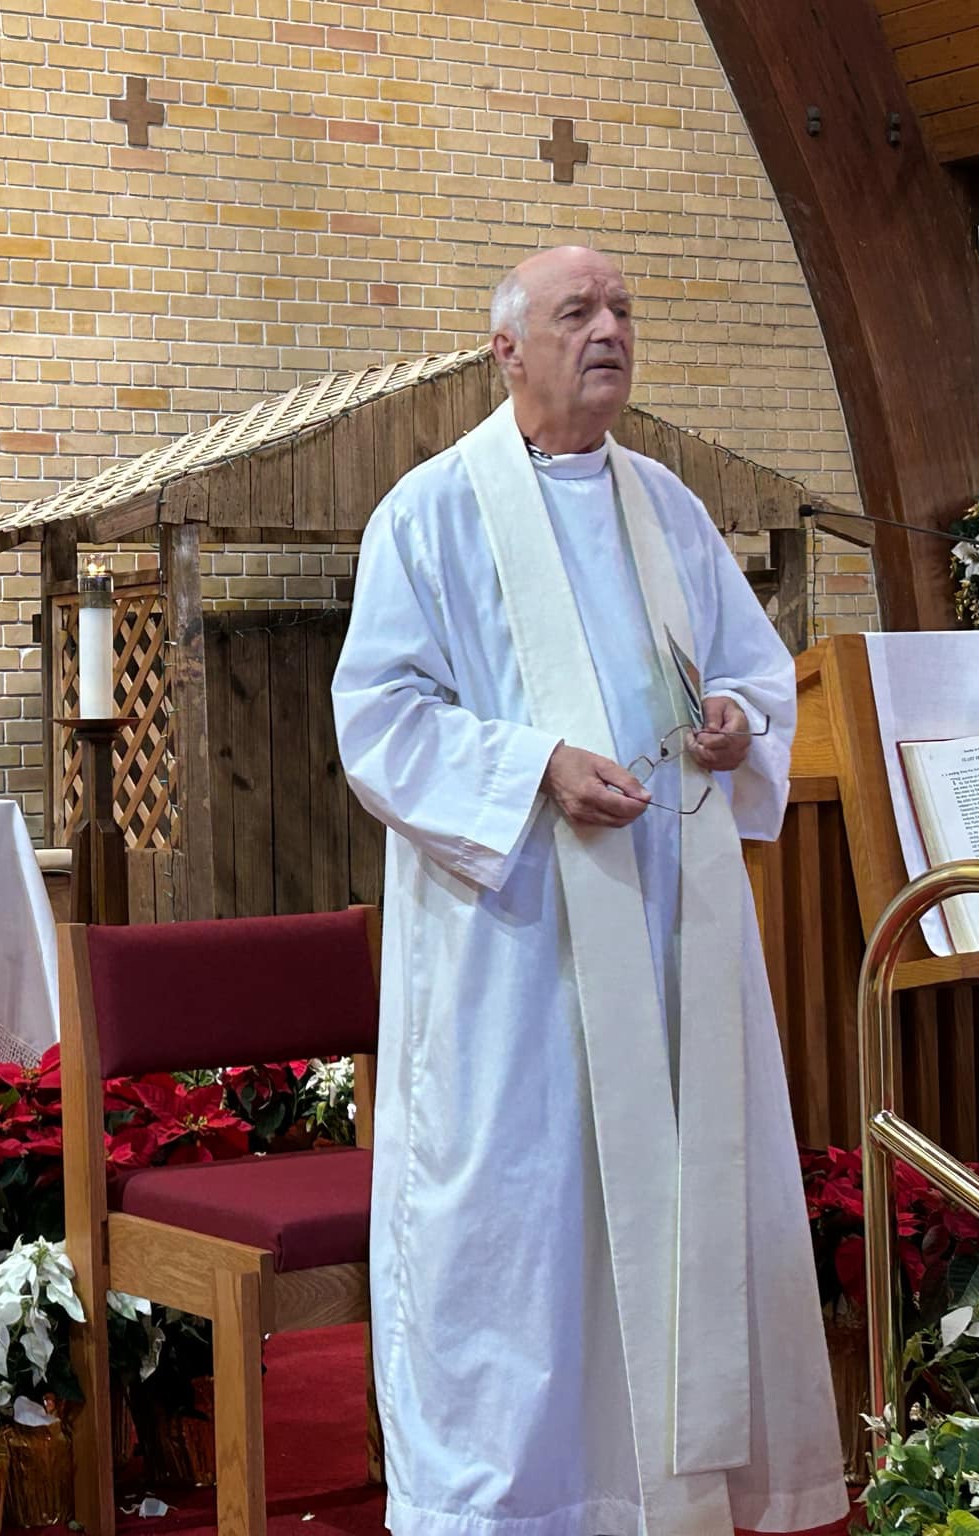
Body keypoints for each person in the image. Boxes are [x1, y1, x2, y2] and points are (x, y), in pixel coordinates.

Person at [331, 245, 848, 1536]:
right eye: (579, 313)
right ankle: (525, 1502)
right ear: (507, 349)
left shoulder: (665, 507)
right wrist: (530, 768)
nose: (609, 329)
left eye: (622, 309)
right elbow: (378, 718)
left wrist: (734, 725)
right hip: (520, 950)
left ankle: (670, 1489)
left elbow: (751, 676)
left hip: (670, 934)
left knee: (674, 1206)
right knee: (531, 1225)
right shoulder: (432, 512)